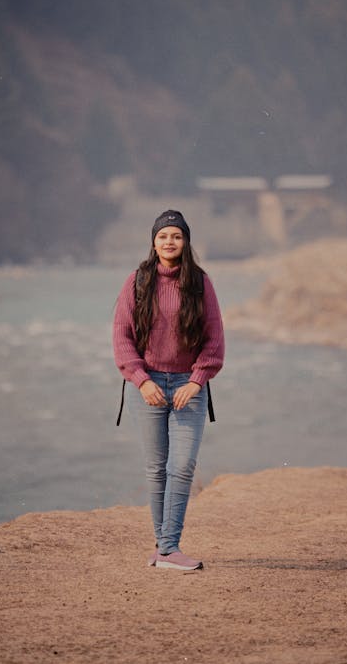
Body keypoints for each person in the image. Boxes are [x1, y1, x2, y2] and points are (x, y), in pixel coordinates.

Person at [113, 209, 225, 570]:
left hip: (186, 387)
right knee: (156, 469)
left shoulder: (200, 283)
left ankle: (167, 548)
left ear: (186, 241)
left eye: (176, 236)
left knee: (183, 466)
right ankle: (165, 549)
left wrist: (196, 381)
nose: (169, 242)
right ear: (154, 241)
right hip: (146, 386)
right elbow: (122, 337)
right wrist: (141, 379)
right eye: (163, 236)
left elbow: (214, 340)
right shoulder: (136, 281)